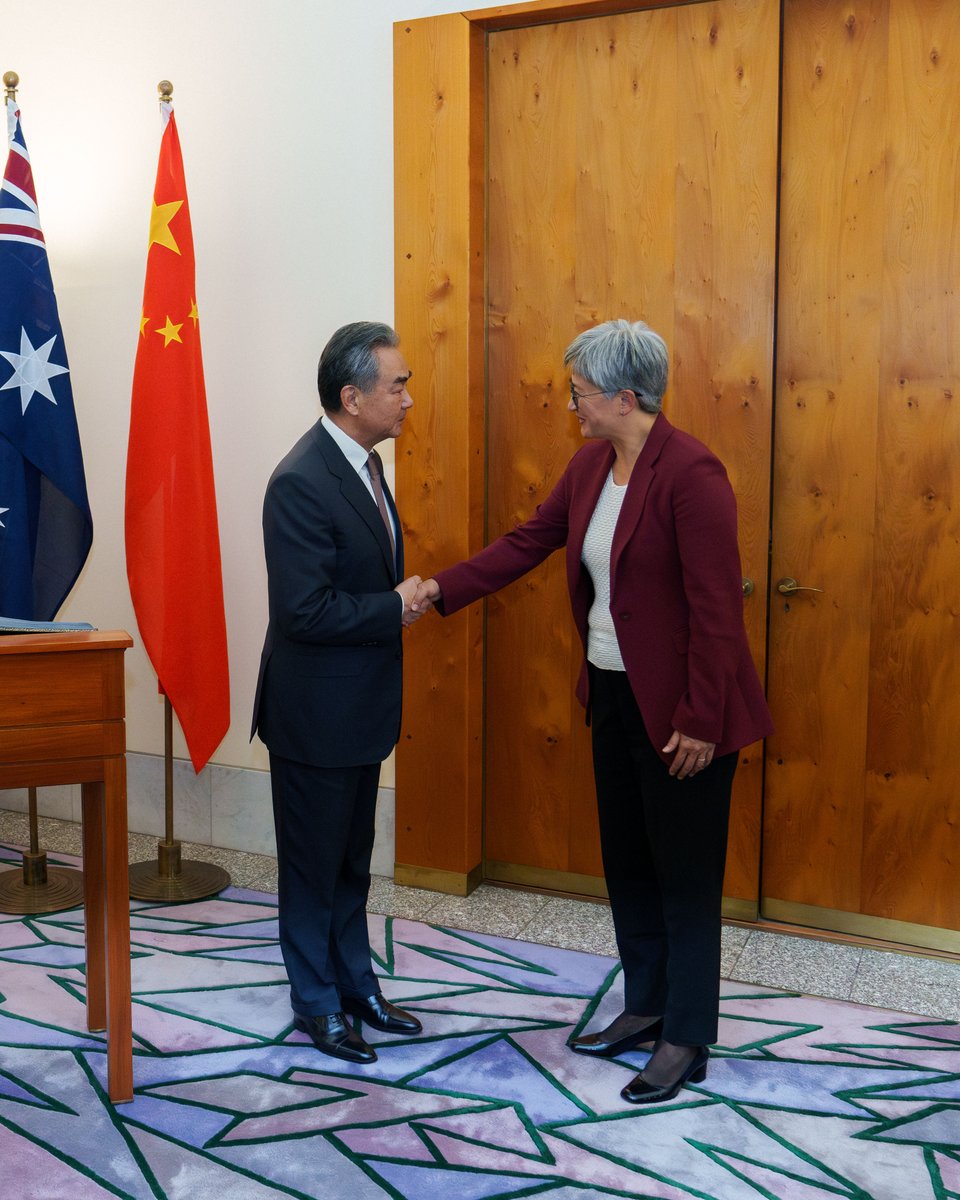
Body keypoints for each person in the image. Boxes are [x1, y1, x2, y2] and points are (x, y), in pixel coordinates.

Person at [413, 318, 772, 1103]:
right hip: (610, 695)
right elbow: (525, 542)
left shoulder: (693, 473)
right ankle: (645, 1005)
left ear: (624, 395)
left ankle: (686, 1035)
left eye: (578, 391)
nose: (570, 402)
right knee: (630, 864)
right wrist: (440, 588)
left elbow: (718, 612)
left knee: (684, 876)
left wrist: (701, 719)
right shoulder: (587, 467)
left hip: (685, 710)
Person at [252, 321, 425, 1065]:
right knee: (312, 868)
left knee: (352, 861)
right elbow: (304, 610)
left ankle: (357, 985)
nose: (408, 399)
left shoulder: (366, 465)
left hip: (357, 711)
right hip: (314, 717)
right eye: (397, 385)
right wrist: (396, 605)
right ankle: (315, 1003)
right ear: (352, 397)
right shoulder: (300, 479)